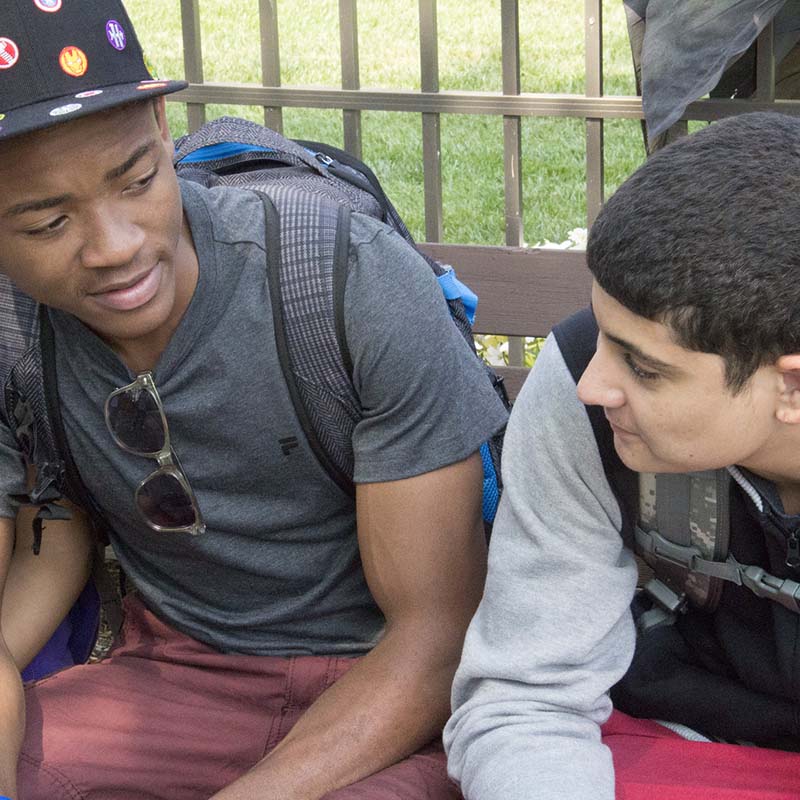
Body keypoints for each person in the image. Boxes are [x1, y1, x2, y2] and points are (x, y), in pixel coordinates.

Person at [0, 1, 509, 798]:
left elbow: (437, 635)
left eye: (136, 181)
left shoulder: (345, 279)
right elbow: (38, 521)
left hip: (392, 695)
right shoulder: (14, 327)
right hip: (178, 677)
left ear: (164, 127)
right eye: (46, 223)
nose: (115, 246)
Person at [445, 111, 800, 800]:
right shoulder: (582, 389)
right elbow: (527, 700)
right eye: (602, 331)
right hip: (663, 740)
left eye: (645, 367)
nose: (591, 383)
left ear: (790, 383)